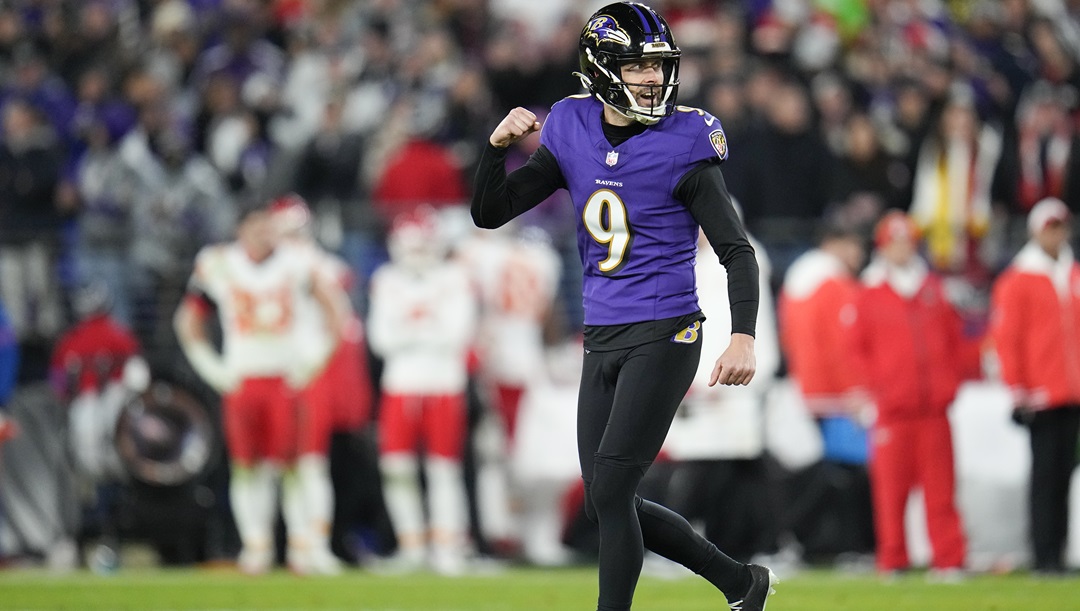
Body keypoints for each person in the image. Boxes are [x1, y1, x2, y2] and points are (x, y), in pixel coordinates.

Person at [471, 3, 777, 609]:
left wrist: (742, 333)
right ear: (603, 66)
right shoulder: (570, 126)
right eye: (637, 65)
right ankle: (741, 582)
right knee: (606, 499)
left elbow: (736, 251)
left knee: (611, 493)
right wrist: (493, 149)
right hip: (602, 331)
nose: (650, 78)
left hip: (667, 330)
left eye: (657, 66)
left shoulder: (684, 140)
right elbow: (492, 211)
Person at [173, 203, 348, 575]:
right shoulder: (218, 264)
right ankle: (256, 545)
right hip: (244, 377)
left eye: (267, 227)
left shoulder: (297, 261)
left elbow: (336, 312)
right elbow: (187, 320)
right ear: (239, 230)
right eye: (255, 228)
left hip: (285, 378)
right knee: (247, 467)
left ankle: (302, 545)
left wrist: (313, 361)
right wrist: (212, 369)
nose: (263, 235)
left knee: (294, 466)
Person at [849, 211, 968, 580]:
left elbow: (954, 342)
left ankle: (949, 559)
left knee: (941, 490)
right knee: (891, 492)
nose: (902, 248)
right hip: (892, 408)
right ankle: (893, 559)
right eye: (895, 241)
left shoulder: (934, 288)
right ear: (883, 246)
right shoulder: (868, 294)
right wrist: (870, 394)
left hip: (933, 407)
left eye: (906, 240)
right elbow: (855, 351)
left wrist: (950, 385)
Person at [367, 207, 478, 575]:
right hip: (401, 385)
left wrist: (410, 332)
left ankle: (447, 546)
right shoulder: (386, 279)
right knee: (397, 468)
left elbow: (458, 334)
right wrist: (427, 330)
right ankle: (411, 545)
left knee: (443, 469)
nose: (416, 253)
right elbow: (380, 339)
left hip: (444, 384)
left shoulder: (455, 276)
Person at [990, 197, 1080, 575]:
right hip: (1042, 393)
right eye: (1050, 228)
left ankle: (1059, 551)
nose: (1056, 235)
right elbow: (1007, 338)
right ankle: (1044, 554)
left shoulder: (1073, 273)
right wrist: (1017, 388)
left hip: (1072, 390)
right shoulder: (1019, 279)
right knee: (1045, 477)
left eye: (1061, 227)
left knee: (1065, 476)